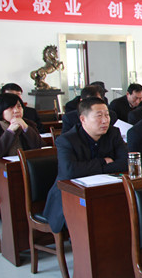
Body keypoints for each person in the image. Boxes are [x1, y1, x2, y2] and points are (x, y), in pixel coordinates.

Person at [43, 98, 128, 234]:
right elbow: (70, 171)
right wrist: (102, 162)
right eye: (99, 116)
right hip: (69, 196)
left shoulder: (113, 133)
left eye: (107, 115)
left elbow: (125, 163)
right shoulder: (66, 140)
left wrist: (88, 168)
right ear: (83, 119)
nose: (105, 120)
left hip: (103, 192)